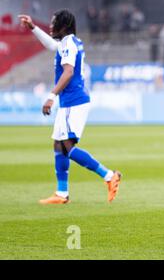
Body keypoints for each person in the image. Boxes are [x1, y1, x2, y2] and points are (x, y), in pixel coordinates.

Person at [18, 11, 122, 204]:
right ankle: (62, 193)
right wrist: (33, 27)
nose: (50, 26)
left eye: (53, 22)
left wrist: (51, 96)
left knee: (67, 146)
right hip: (71, 101)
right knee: (59, 144)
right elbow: (51, 45)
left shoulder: (68, 43)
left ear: (63, 25)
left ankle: (109, 176)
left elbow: (68, 72)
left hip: (73, 101)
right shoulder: (70, 42)